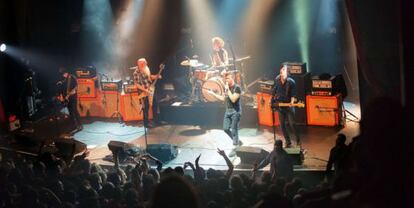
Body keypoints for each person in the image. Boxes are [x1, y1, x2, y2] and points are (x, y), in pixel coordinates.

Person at [207, 73, 242, 148]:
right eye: (225, 79)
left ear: (232, 78)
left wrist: (228, 90)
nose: (226, 80)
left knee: (234, 129)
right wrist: (213, 94)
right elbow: (223, 98)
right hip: (228, 111)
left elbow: (233, 99)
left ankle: (236, 147)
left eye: (228, 78)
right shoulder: (227, 89)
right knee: (225, 129)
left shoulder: (237, 88)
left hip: (235, 111)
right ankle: (237, 141)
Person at [271, 65, 300, 147]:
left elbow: (293, 95)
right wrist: (272, 100)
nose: (281, 71)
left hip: (289, 106)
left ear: (287, 72)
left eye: (284, 69)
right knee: (282, 125)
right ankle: (288, 142)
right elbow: (274, 91)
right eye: (281, 69)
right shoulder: (277, 79)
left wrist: (291, 102)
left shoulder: (291, 82)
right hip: (280, 106)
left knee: (292, 124)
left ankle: (298, 141)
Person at [133, 58, 161, 128]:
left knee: (155, 104)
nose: (145, 65)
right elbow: (137, 84)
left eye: (145, 63)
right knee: (145, 108)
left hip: (150, 89)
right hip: (143, 92)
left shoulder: (146, 68)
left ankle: (156, 121)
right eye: (143, 64)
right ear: (140, 64)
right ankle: (146, 123)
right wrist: (145, 90)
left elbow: (149, 77)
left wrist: (156, 76)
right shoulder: (136, 73)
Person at [58, 67, 82, 132]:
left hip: (73, 97)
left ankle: (79, 125)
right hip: (67, 98)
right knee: (71, 112)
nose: (63, 75)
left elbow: (76, 86)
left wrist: (72, 92)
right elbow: (63, 88)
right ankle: (74, 125)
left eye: (63, 74)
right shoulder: (64, 79)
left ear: (66, 73)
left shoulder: (72, 77)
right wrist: (62, 96)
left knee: (74, 111)